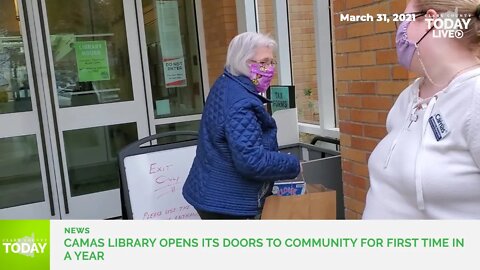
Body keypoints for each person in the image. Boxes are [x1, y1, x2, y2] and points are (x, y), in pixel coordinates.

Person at [363, 0, 480, 219]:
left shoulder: (475, 95)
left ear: (431, 20)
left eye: (403, 19)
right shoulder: (409, 96)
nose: (399, 30)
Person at [182, 32, 301, 219]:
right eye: (263, 62)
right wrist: (293, 164)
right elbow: (252, 161)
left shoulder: (226, 83)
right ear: (242, 61)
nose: (270, 69)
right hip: (227, 202)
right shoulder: (241, 102)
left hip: (211, 190)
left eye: (272, 62)